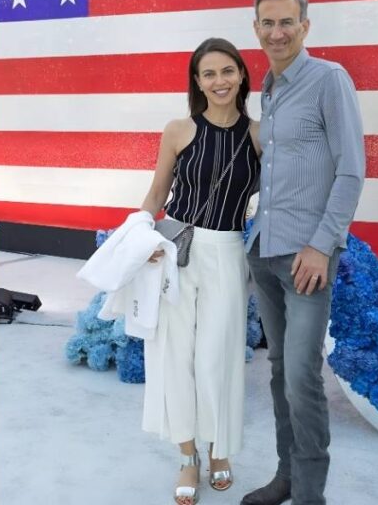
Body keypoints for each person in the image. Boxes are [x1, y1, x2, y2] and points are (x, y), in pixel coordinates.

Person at [240, 0, 365, 505]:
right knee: (275, 371)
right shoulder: (268, 88)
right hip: (265, 251)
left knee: (301, 377)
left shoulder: (328, 80)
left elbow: (352, 170)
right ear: (257, 29)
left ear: (305, 25)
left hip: (307, 258)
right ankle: (286, 476)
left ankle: (311, 495)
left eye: (286, 21)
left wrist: (321, 244)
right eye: (267, 23)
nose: (277, 31)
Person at [139, 37, 261, 505]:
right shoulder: (178, 130)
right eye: (208, 73)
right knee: (176, 356)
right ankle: (188, 456)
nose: (219, 81)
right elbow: (156, 195)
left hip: (227, 253)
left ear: (241, 75)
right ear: (197, 81)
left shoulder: (257, 135)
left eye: (227, 71)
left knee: (219, 357)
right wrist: (143, 239)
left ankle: (220, 451)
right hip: (174, 251)